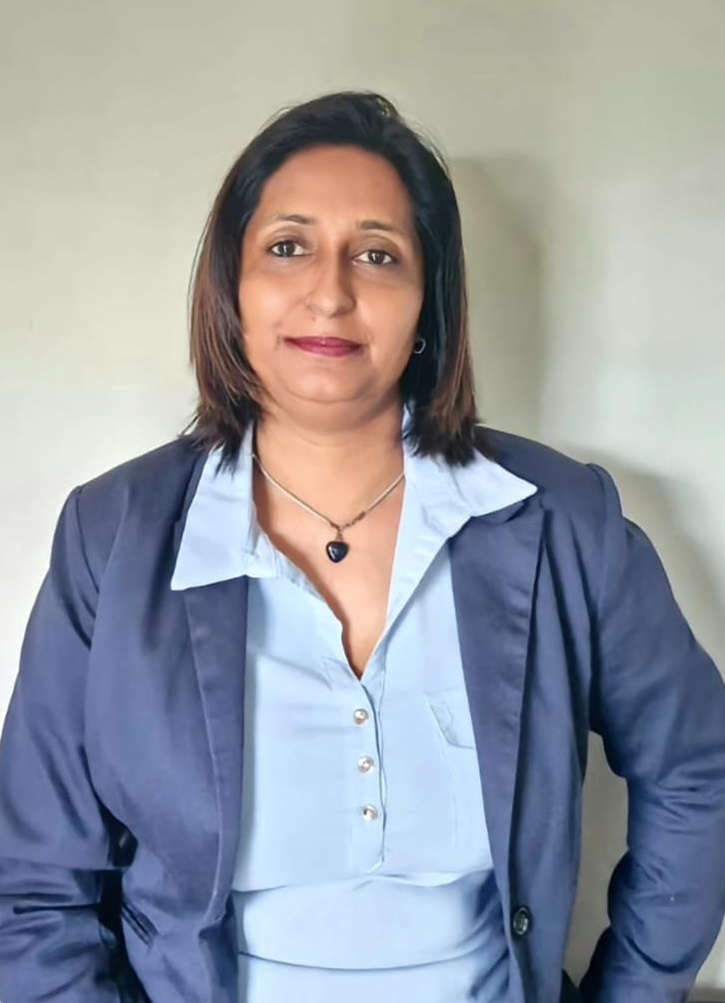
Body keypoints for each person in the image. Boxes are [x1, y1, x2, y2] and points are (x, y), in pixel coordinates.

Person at [0, 90, 723, 1003]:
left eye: (377, 254)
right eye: (287, 246)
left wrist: (636, 989)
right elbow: (33, 885)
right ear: (231, 288)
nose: (330, 291)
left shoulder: (560, 520)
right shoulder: (112, 535)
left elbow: (698, 767)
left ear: (428, 304)